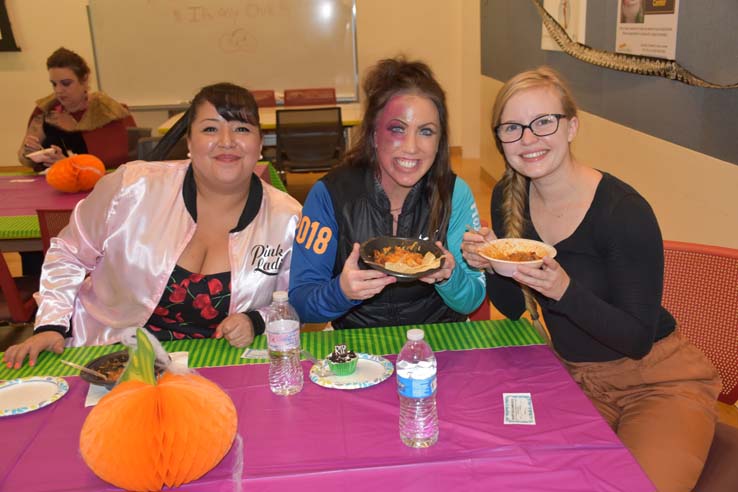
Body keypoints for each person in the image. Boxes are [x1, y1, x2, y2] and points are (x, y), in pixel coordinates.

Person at [461, 66, 720, 491]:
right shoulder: (511, 197)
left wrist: (563, 290)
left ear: (572, 127)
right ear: (500, 139)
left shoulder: (623, 212)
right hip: (573, 375)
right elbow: (511, 307)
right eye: (512, 127)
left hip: (655, 381)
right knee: (516, 474)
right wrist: (491, 264)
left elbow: (635, 339)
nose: (529, 139)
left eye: (544, 122)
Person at [4, 83, 302, 369]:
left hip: (221, 364)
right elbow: (68, 252)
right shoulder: (131, 187)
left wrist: (256, 321)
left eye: (242, 129)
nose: (227, 140)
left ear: (260, 143)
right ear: (189, 143)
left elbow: (298, 299)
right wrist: (52, 324)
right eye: (210, 128)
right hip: (108, 356)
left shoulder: (287, 218)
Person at [289, 57, 485, 329]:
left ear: (440, 141)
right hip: (357, 348)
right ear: (373, 133)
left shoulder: (454, 192)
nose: (411, 147)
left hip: (440, 341)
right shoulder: (329, 194)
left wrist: (450, 278)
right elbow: (300, 302)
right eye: (397, 129)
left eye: (426, 131)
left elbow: (473, 301)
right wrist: (341, 292)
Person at [17, 47, 136, 171]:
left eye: (66, 83)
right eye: (54, 84)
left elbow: (119, 164)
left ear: (84, 80)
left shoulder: (109, 113)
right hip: (48, 183)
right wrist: (29, 152)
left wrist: (69, 164)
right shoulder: (44, 111)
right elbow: (24, 157)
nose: (58, 90)